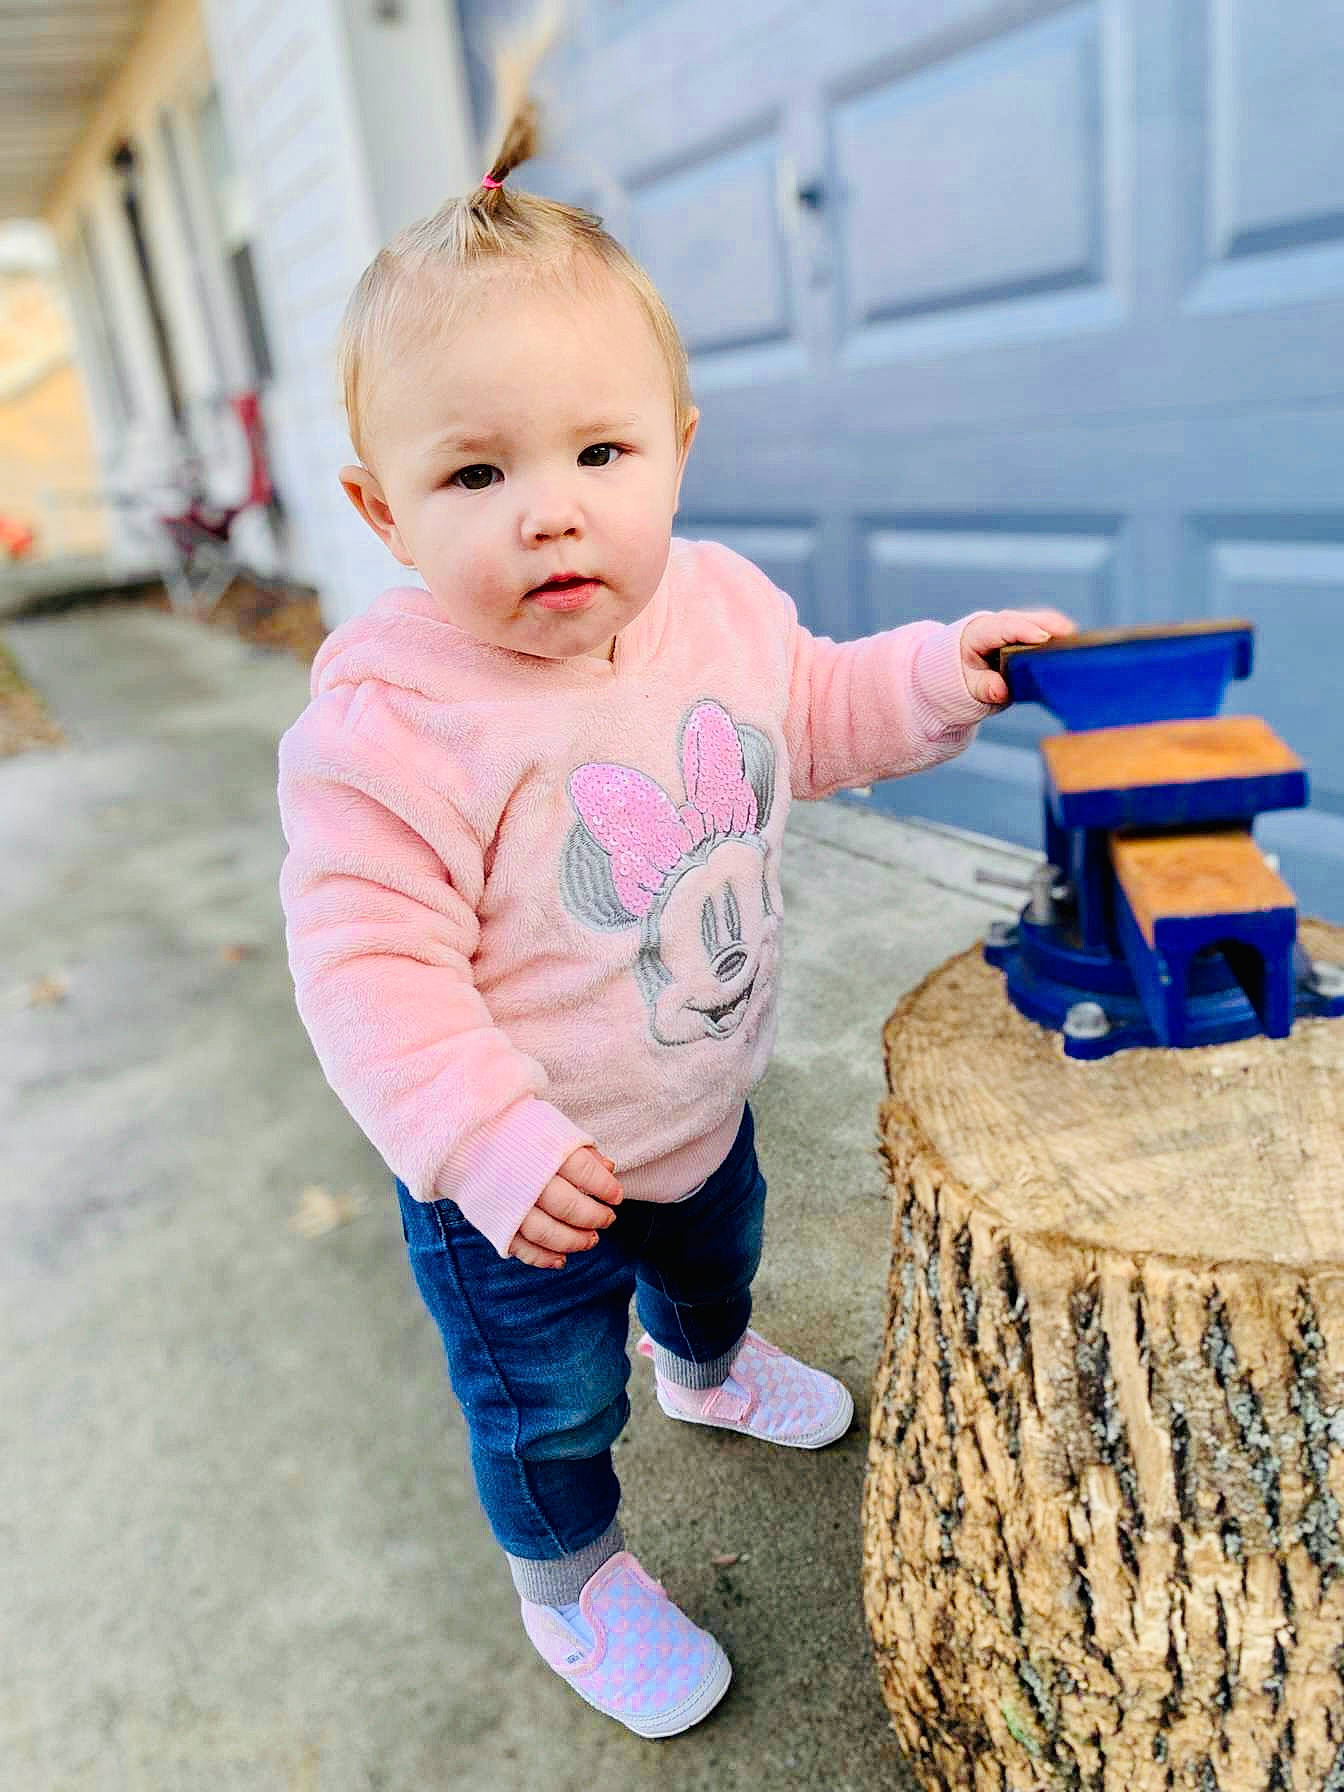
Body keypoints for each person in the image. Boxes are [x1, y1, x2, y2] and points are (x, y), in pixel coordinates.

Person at [276, 36, 1075, 1739]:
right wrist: (482, 1141)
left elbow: (816, 709)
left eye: (600, 454)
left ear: (678, 449)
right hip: (517, 1188)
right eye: (477, 475)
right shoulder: (393, 721)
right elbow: (363, 963)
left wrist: (941, 673)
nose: (552, 516)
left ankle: (705, 1367)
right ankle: (570, 1582)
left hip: (695, 1107)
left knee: (720, 1261)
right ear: (382, 510)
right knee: (548, 1405)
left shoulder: (716, 607)